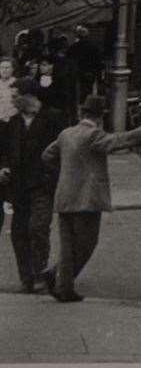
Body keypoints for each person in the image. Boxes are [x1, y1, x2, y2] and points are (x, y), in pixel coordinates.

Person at [41, 95, 141, 302]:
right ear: (100, 117)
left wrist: (67, 172)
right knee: (86, 244)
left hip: (65, 196)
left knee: (68, 245)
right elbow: (116, 141)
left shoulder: (66, 134)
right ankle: (60, 281)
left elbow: (47, 155)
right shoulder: (93, 134)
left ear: (83, 113)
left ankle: (61, 282)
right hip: (87, 199)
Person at [0, 92, 64, 292]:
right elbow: (3, 150)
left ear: (31, 97)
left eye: (18, 95)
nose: (14, 99)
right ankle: (26, 278)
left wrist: (54, 174)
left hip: (42, 184)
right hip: (18, 186)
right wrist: (3, 166)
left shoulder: (53, 118)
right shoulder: (12, 122)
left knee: (37, 228)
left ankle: (40, 275)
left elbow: (63, 149)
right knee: (19, 232)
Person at [63, 27, 105, 104]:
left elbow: (68, 61)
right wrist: (99, 78)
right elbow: (98, 64)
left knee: (75, 93)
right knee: (87, 92)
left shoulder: (73, 47)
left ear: (78, 36)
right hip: (89, 73)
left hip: (75, 73)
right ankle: (84, 106)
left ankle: (77, 107)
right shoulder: (94, 47)